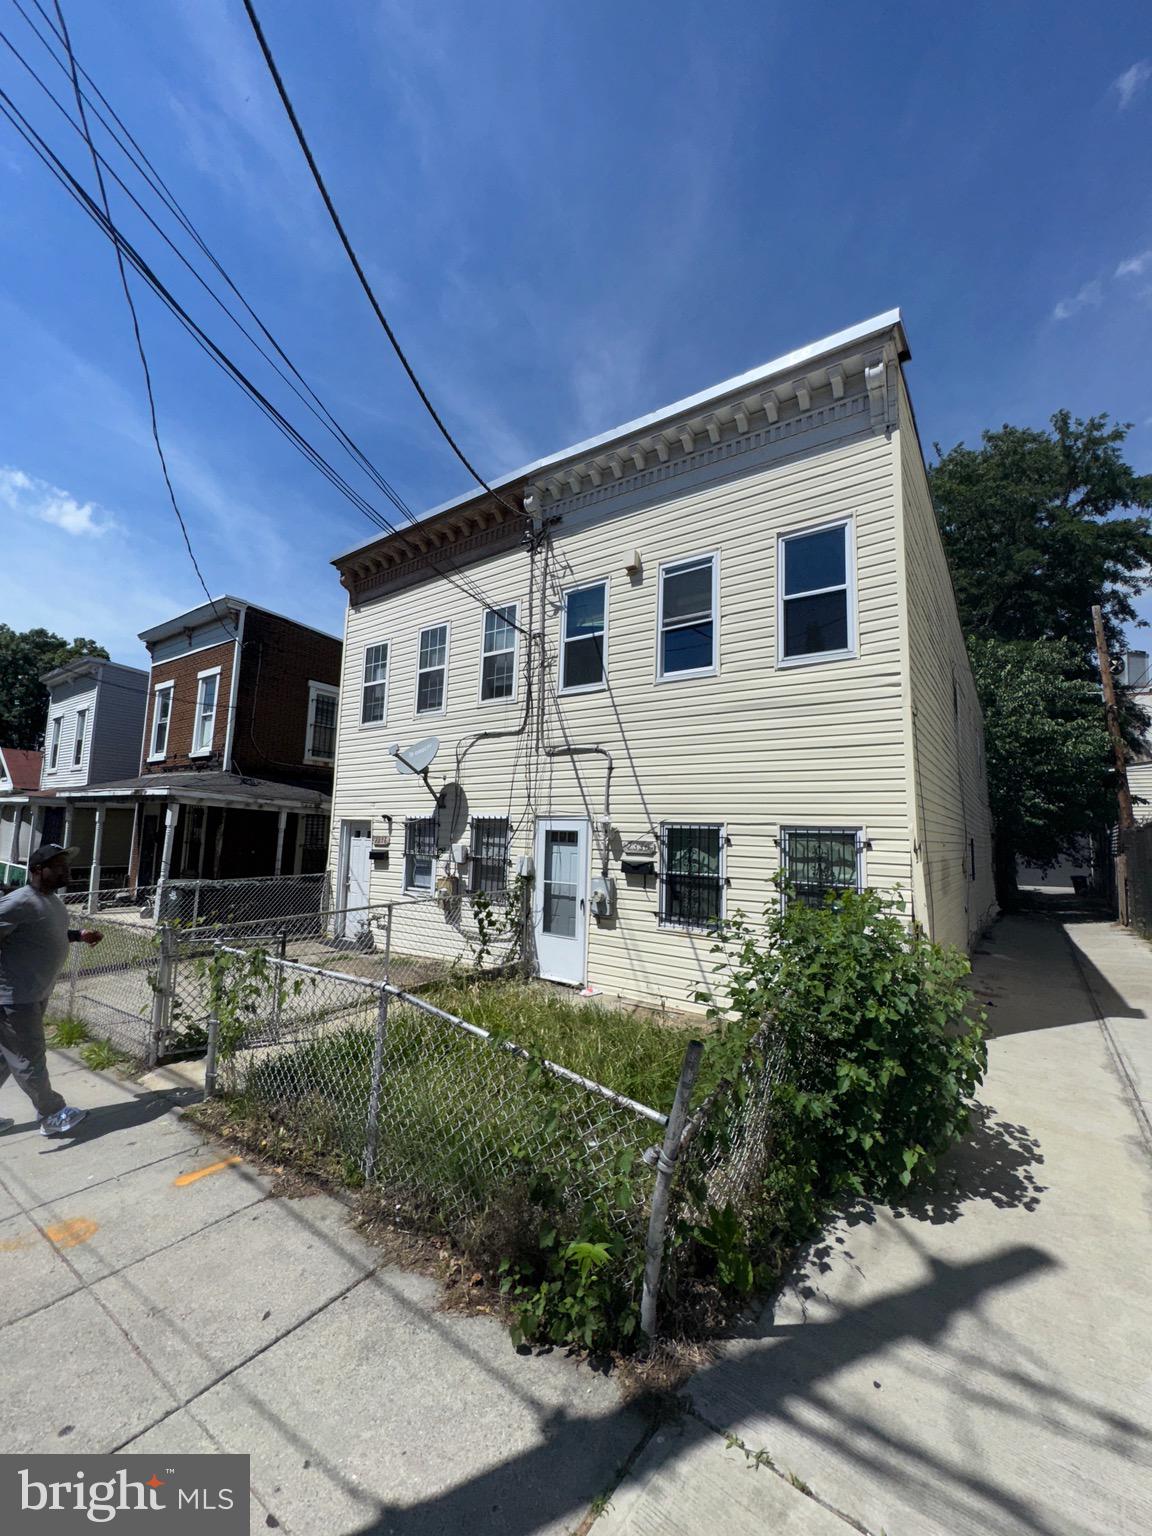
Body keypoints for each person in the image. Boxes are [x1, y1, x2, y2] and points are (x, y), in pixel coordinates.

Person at [0, 844, 103, 1136]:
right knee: (29, 1058)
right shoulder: (19, 901)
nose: (65, 870)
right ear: (36, 870)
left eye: (66, 865)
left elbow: (44, 934)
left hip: (34, 992)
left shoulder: (51, 901)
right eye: (57, 865)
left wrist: (79, 935)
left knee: (6, 1058)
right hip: (14, 997)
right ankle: (52, 1113)